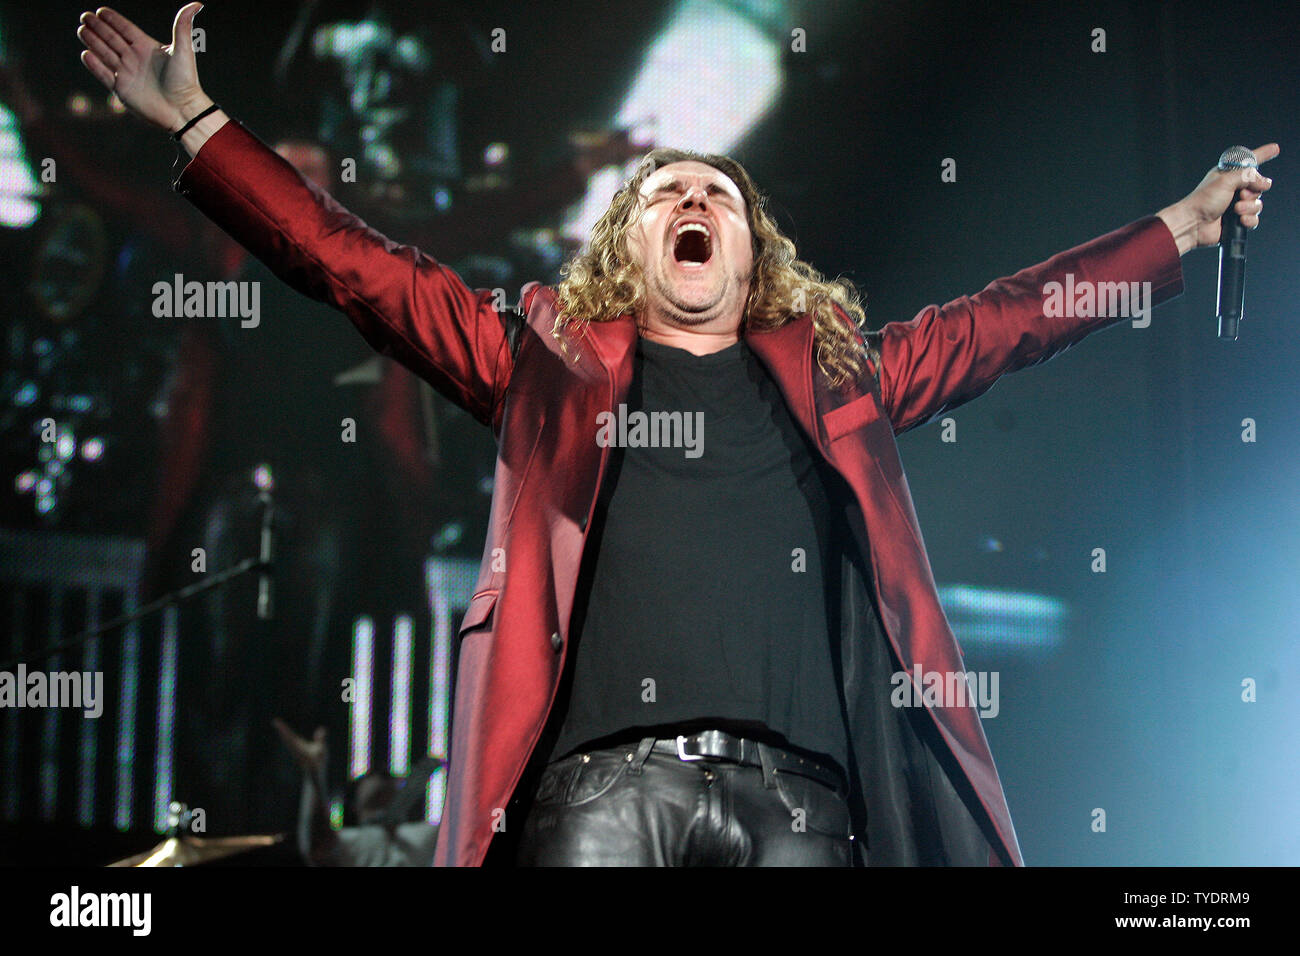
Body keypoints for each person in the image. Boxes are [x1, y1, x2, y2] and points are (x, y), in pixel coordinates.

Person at [77, 4, 1276, 866]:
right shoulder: (539, 361)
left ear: (755, 253)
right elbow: (358, 270)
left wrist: (1178, 226)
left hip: (801, 808)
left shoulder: (842, 374)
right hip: (602, 804)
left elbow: (1012, 317)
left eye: (718, 197)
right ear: (628, 247)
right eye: (665, 195)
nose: (695, 202)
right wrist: (201, 129)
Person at [273, 719, 440, 867]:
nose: (382, 778)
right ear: (354, 803)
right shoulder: (351, 841)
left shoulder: (426, 833)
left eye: (386, 775)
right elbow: (318, 845)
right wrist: (315, 775)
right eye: (372, 775)